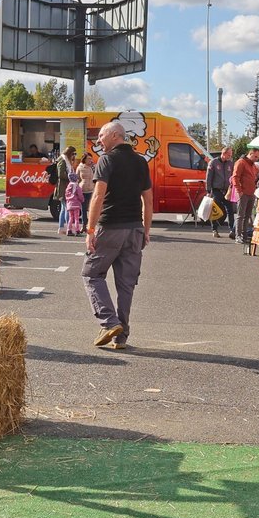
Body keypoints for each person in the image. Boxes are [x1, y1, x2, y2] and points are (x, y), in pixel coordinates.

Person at [83, 122, 152, 350]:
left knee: (91, 274)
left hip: (111, 227)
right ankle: (121, 337)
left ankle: (109, 322)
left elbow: (98, 196)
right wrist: (146, 230)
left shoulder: (107, 160)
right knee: (126, 285)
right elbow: (148, 199)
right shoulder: (141, 162)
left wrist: (90, 230)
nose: (98, 140)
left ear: (115, 135)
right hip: (135, 229)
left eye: (101, 135)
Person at [231, 148, 259, 243]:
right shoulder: (241, 162)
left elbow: (254, 176)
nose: (257, 159)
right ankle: (238, 236)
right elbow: (235, 177)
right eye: (255, 156)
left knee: (247, 216)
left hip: (251, 193)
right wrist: (239, 191)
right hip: (243, 193)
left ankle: (244, 236)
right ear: (250, 154)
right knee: (240, 216)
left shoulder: (252, 165)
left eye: (258, 157)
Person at [206, 146, 235, 238]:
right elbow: (209, 177)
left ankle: (232, 230)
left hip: (227, 191)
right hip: (216, 190)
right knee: (215, 211)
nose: (230, 156)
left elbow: (233, 176)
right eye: (229, 155)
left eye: (231, 155)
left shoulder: (230, 163)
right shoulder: (213, 162)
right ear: (224, 153)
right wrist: (208, 190)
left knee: (230, 210)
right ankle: (214, 229)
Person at [54, 146, 77, 234]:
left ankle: (62, 227)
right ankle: (68, 228)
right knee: (67, 208)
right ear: (69, 153)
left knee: (64, 208)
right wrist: (70, 177)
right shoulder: (63, 160)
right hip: (63, 187)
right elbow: (60, 174)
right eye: (73, 153)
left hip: (66, 187)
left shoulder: (67, 160)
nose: (74, 155)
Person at [76, 152, 95, 232]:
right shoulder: (80, 167)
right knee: (83, 209)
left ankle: (90, 226)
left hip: (91, 190)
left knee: (91, 208)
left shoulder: (92, 167)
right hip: (83, 190)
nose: (90, 160)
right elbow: (77, 179)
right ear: (84, 159)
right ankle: (84, 225)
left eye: (91, 159)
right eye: (88, 159)